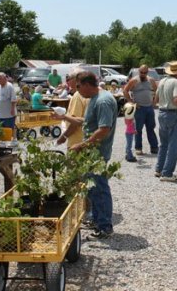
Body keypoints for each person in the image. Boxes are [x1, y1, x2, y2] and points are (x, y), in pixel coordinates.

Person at [56, 70, 118, 239]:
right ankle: (97, 220)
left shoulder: (103, 101)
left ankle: (105, 226)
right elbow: (89, 121)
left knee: (99, 189)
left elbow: (104, 129)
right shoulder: (94, 99)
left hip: (97, 153)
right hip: (91, 153)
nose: (76, 89)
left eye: (78, 86)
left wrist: (82, 144)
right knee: (92, 188)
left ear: (86, 84)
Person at [154, 61, 177, 181]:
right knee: (174, 146)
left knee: (163, 144)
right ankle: (167, 173)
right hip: (172, 113)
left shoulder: (162, 81)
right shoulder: (176, 82)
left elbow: (155, 99)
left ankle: (159, 169)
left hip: (161, 113)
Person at [123, 64, 159, 155]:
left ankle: (154, 147)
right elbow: (125, 90)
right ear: (139, 71)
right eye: (141, 72)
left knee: (151, 128)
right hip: (139, 108)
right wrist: (131, 102)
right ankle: (138, 148)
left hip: (149, 108)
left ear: (147, 72)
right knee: (138, 129)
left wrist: (154, 102)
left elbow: (157, 91)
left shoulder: (151, 80)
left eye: (145, 72)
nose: (142, 74)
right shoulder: (134, 80)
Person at [57, 69, 89, 149]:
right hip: (86, 141)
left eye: (68, 79)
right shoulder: (87, 93)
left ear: (76, 79)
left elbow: (75, 122)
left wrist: (63, 137)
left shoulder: (78, 95)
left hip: (77, 143)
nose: (67, 82)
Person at [0, 72, 18, 140]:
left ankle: (14, 140)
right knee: (1, 129)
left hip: (9, 114)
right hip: (0, 114)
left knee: (11, 128)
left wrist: (12, 109)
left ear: (5, 78)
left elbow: (13, 99)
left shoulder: (9, 86)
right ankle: (3, 142)